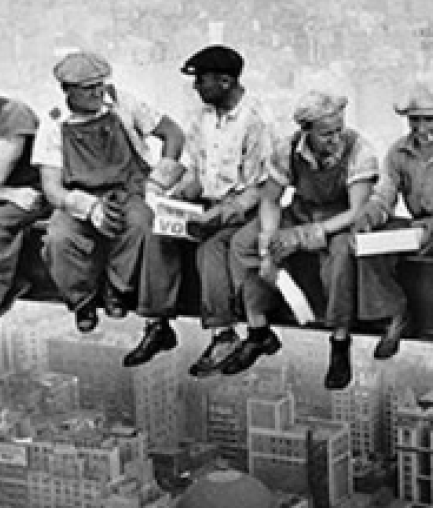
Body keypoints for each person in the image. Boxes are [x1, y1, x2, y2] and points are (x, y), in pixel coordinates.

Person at [129, 45, 272, 373]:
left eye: (202, 80)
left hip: (243, 210)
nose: (196, 88)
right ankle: (158, 324)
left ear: (225, 81)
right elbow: (196, 171)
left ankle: (223, 334)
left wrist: (222, 214)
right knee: (158, 234)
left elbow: (260, 186)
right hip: (206, 204)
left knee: (210, 248)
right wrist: (176, 199)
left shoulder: (256, 120)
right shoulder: (202, 119)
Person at [229, 91, 378, 389]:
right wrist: (268, 244)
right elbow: (270, 199)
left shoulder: (359, 150)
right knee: (243, 244)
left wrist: (305, 236)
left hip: (338, 220)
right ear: (306, 131)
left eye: (338, 130)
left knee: (340, 258)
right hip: (301, 210)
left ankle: (339, 340)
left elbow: (356, 209)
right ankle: (258, 328)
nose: (335, 139)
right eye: (326, 134)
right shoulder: (287, 150)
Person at [34, 51, 185, 340]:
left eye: (100, 84)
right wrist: (88, 208)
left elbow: (173, 134)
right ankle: (83, 301)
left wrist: (158, 182)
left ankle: (119, 291)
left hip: (128, 189)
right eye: (88, 88)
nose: (98, 92)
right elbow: (52, 188)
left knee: (143, 227)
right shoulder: (53, 123)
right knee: (59, 239)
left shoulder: (123, 103)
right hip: (80, 196)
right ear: (67, 90)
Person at [352, 79, 433, 367]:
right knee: (370, 242)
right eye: (415, 120)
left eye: (429, 120)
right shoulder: (399, 151)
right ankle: (395, 313)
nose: (422, 128)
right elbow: (385, 192)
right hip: (417, 226)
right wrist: (371, 213)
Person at [0, 95, 50, 315]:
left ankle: (6, 289)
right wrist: (6, 192)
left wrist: (5, 191)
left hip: (34, 191)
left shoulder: (14, 113)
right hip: (9, 192)